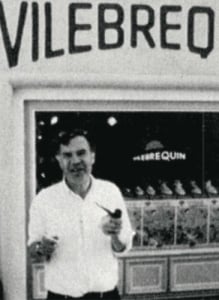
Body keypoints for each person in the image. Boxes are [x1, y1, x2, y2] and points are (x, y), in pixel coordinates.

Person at [28, 129, 134, 300]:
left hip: (105, 296)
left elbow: (123, 248)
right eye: (67, 155)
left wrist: (114, 235)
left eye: (81, 153)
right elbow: (32, 249)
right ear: (59, 160)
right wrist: (42, 248)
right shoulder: (44, 199)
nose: (75, 161)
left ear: (92, 156)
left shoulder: (110, 192)